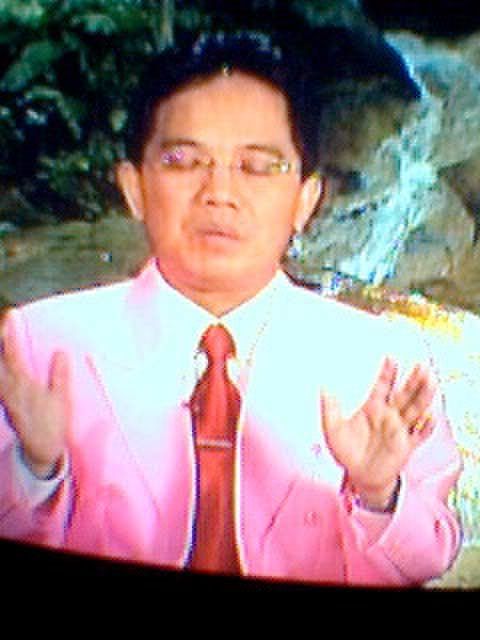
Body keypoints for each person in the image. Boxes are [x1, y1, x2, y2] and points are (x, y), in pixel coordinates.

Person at [0, 30, 461, 586]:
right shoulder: (38, 345)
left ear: (306, 199)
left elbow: (430, 558)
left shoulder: (381, 361)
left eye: (257, 166)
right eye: (183, 161)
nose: (219, 192)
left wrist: (378, 494)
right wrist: (32, 471)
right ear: (134, 188)